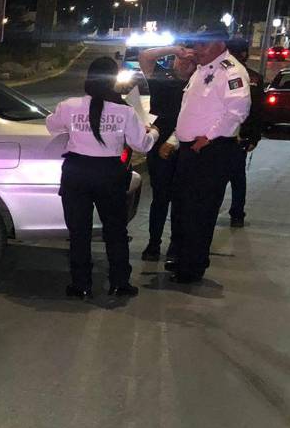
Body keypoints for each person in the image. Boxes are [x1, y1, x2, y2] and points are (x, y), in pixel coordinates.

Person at [46, 56, 158, 299]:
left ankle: (81, 285)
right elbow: (143, 144)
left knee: (79, 232)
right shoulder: (125, 112)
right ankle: (119, 282)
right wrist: (155, 132)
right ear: (112, 81)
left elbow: (51, 125)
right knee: (115, 231)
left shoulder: (69, 106)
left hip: (76, 173)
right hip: (110, 174)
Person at [168, 30, 252, 284]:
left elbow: (237, 110)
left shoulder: (231, 71)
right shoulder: (202, 69)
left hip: (209, 151)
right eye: (196, 44)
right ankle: (183, 258)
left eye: (203, 45)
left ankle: (192, 266)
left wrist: (210, 137)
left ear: (219, 44)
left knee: (200, 210)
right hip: (189, 150)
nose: (198, 49)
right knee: (183, 208)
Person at [137, 43, 197, 261]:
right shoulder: (162, 77)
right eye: (182, 58)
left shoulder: (199, 83)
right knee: (160, 197)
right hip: (159, 141)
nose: (185, 63)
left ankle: (176, 246)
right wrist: (174, 49)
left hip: (186, 144)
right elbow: (145, 55)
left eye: (191, 61)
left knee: (182, 198)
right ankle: (154, 244)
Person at [223, 36, 264, 227]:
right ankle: (236, 213)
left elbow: (256, 110)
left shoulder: (248, 77)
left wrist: (253, 136)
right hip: (232, 135)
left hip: (234, 135)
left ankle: (236, 212)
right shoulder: (250, 76)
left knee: (232, 176)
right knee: (236, 177)